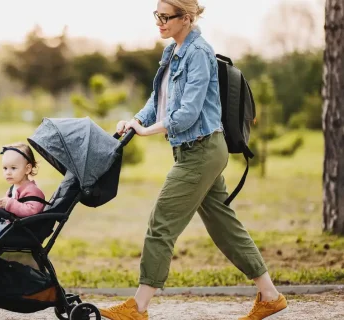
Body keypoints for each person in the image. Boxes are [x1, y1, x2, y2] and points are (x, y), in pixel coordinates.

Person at [98, 1, 288, 320]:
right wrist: (134, 120)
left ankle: (138, 307)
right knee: (224, 225)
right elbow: (157, 101)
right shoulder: (173, 51)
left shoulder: (199, 53)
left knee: (161, 224)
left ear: (185, 19)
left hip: (201, 150)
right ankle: (270, 295)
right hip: (195, 151)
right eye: (156, 15)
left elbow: (188, 113)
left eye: (165, 17)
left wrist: (147, 131)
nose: (158, 22)